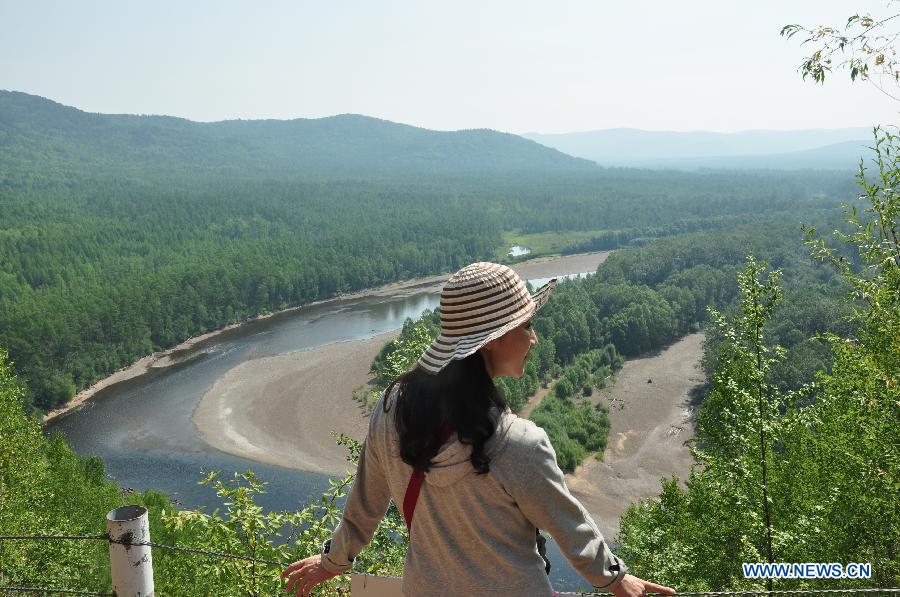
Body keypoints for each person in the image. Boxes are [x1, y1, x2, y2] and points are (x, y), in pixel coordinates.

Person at [282, 262, 676, 596]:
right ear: (493, 340)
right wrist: (616, 580)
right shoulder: (518, 443)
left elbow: (364, 504)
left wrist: (333, 560)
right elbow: (569, 526)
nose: (534, 339)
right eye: (527, 326)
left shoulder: (392, 411)